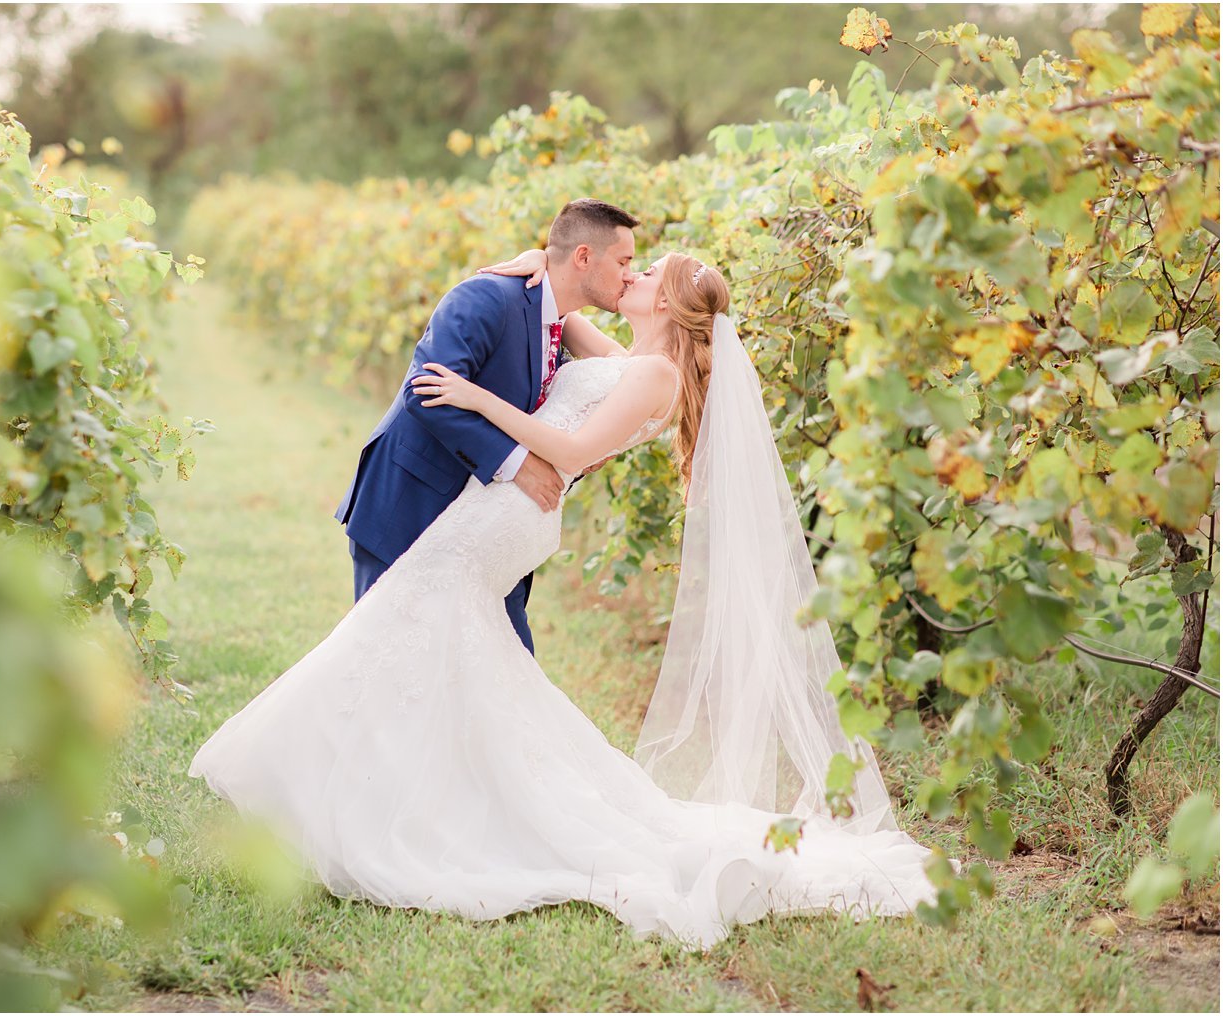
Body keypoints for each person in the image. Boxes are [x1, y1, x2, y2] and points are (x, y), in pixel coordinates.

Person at [190, 247, 941, 948]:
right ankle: (400, 787)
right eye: (630, 264)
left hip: (515, 507)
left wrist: (476, 399)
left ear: (670, 307)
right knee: (443, 639)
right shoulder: (630, 359)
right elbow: (555, 300)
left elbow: (574, 451)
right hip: (505, 506)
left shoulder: (658, 377)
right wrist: (526, 260)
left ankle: (349, 793)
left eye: (647, 275)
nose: (632, 279)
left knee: (415, 619)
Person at [333, 198, 639, 654]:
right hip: (409, 505)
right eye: (624, 261)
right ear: (582, 257)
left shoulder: (558, 322)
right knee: (385, 662)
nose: (630, 275)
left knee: (504, 665)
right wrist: (517, 464)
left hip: (485, 530)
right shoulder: (487, 296)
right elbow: (426, 392)